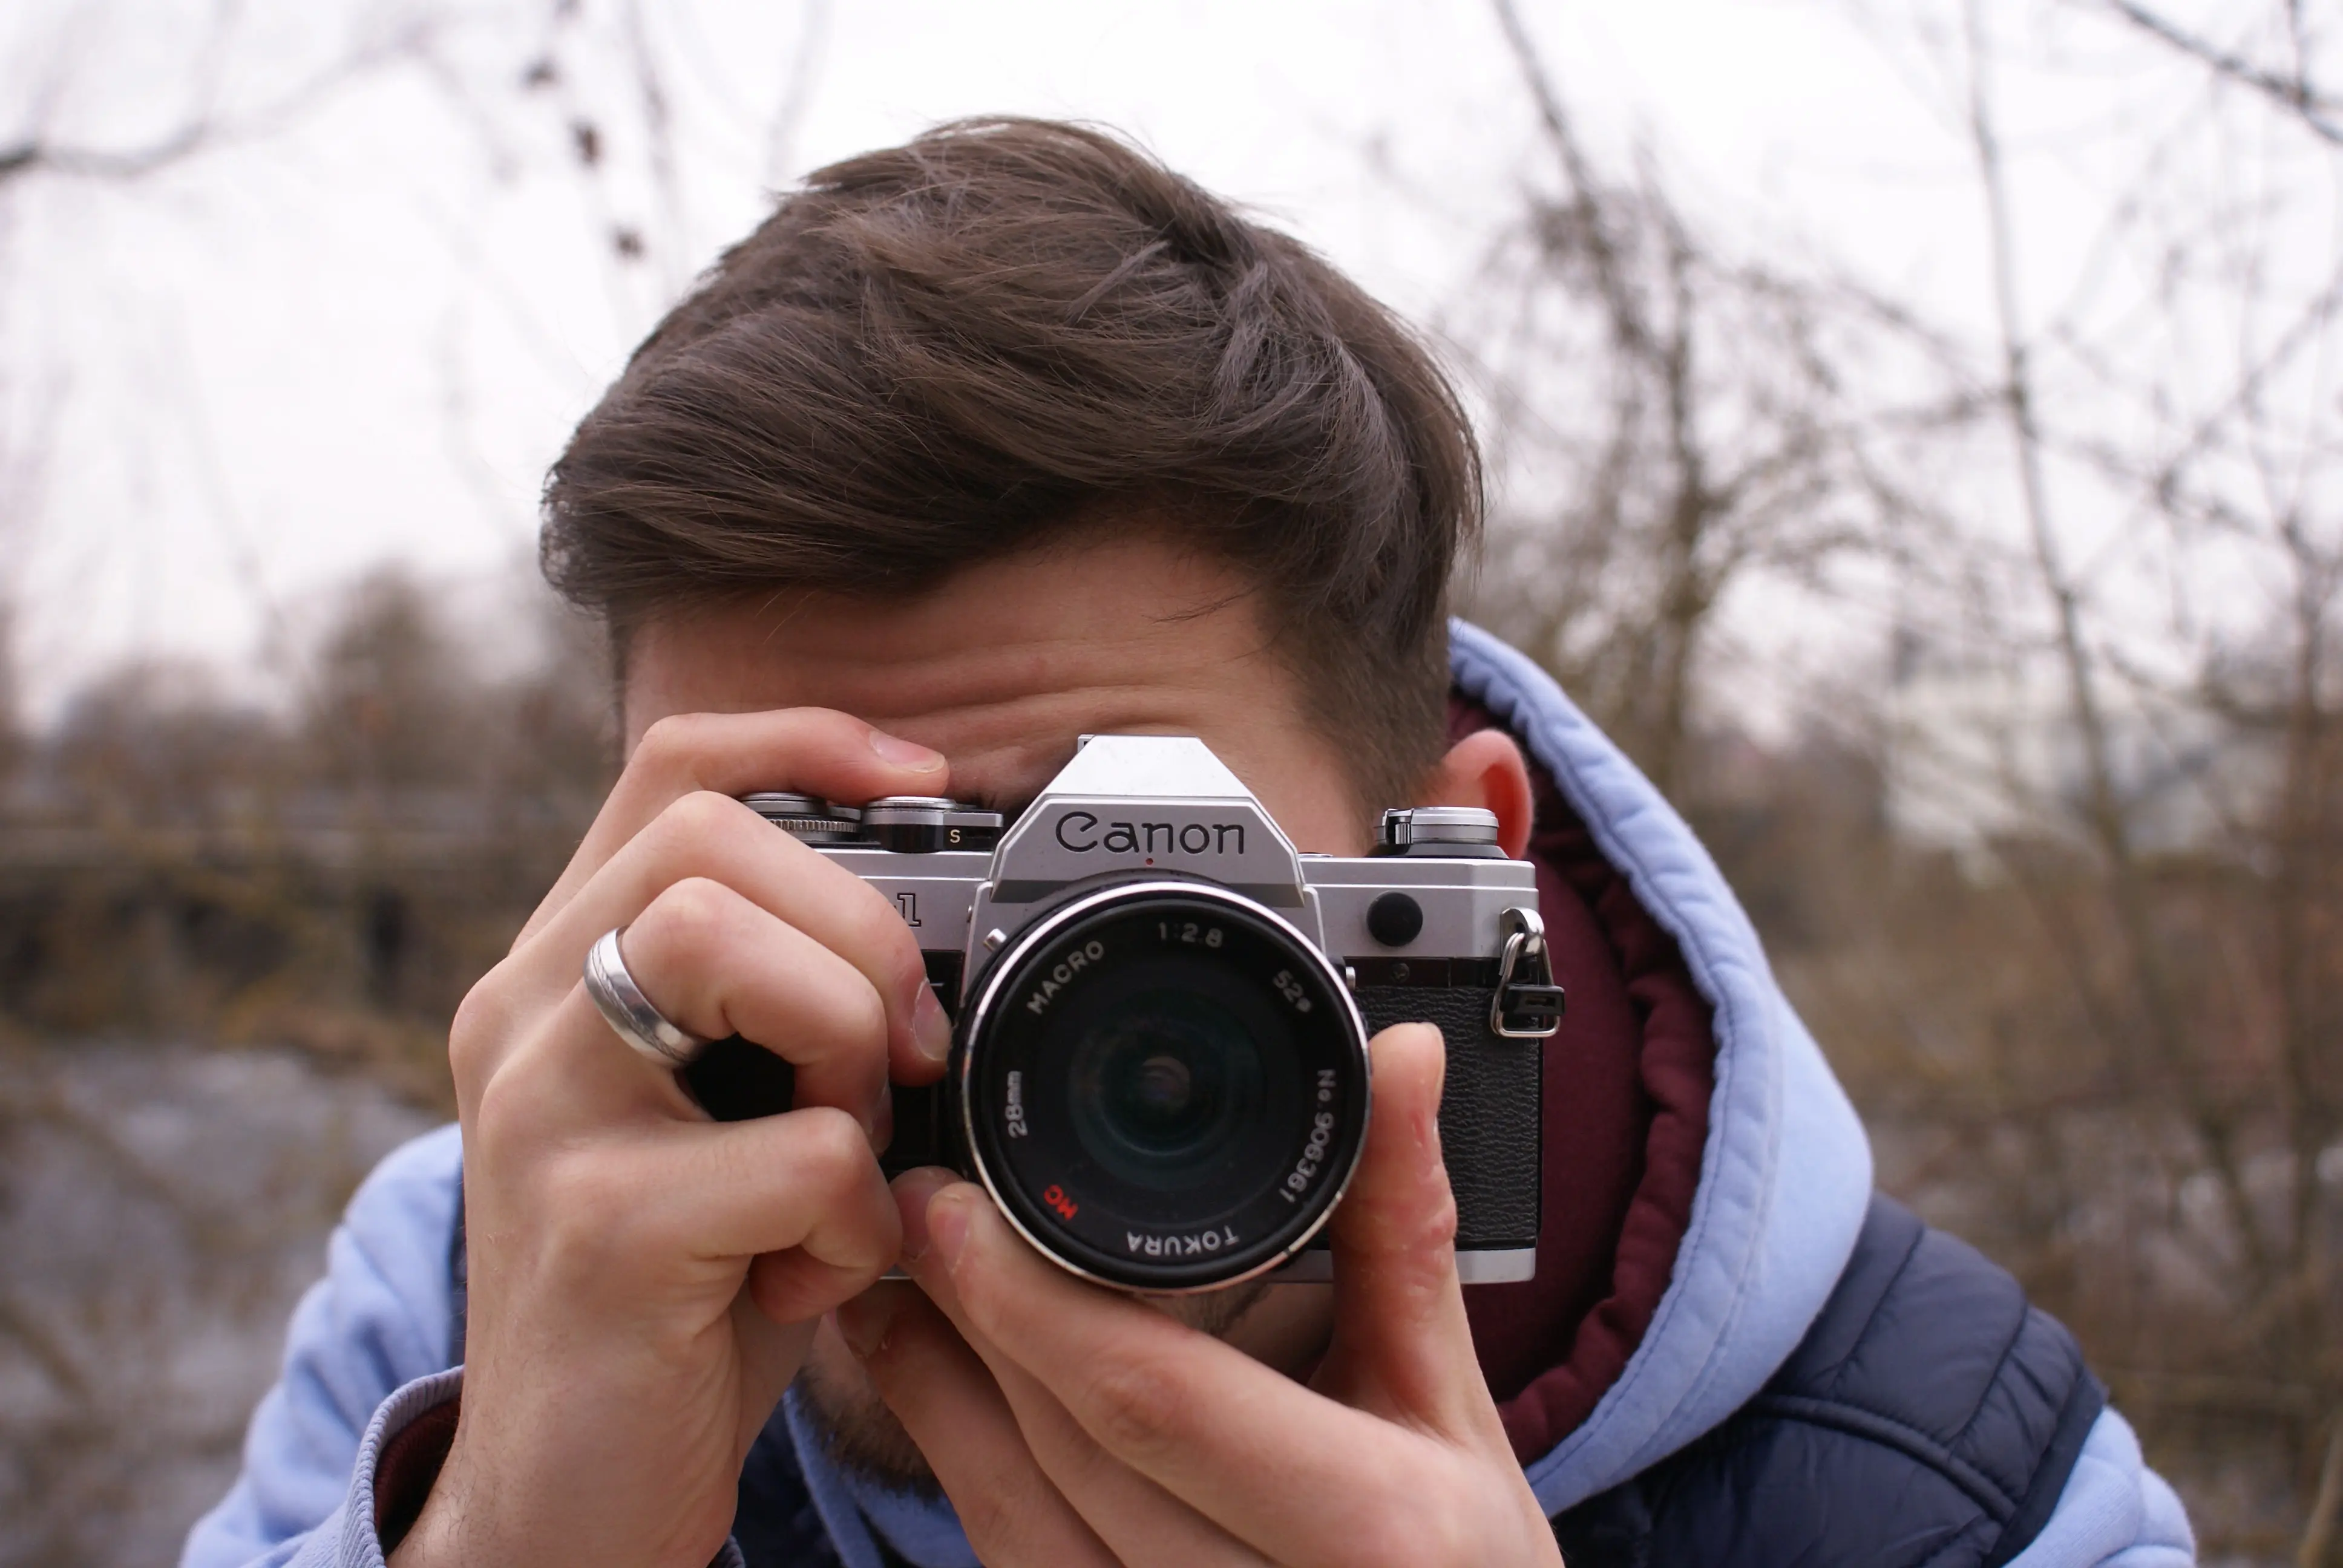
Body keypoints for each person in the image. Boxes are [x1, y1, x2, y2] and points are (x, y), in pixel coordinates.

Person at [182, 118, 2195, 1568]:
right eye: (843, 888)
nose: (973, 1044)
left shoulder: (1953, 1485)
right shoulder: (466, 1296)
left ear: (1446, 883)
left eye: (1135, 902)